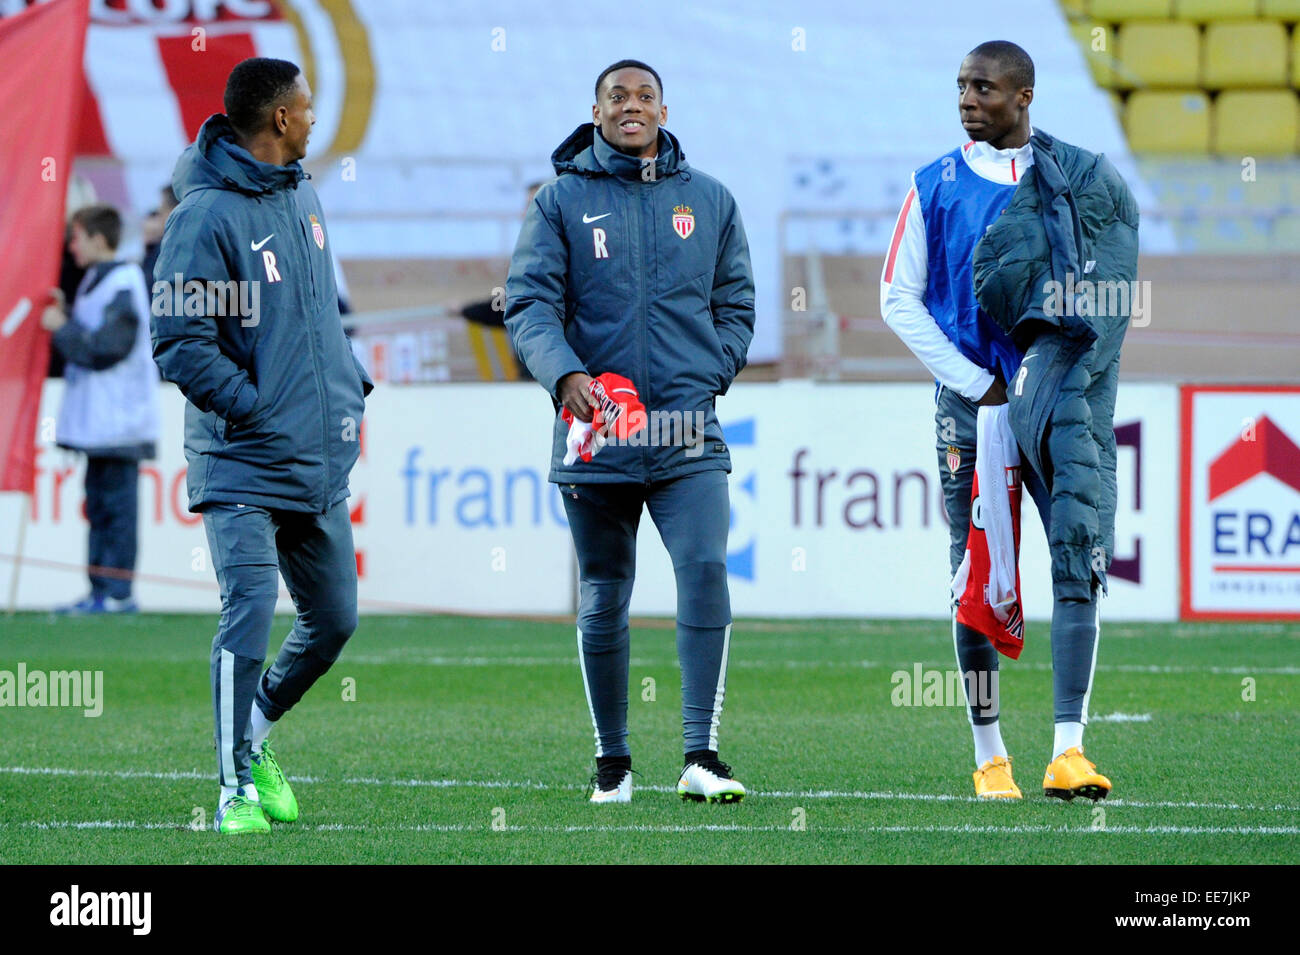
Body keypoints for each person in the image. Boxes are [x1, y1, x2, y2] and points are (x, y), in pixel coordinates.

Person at [881, 41, 1135, 801]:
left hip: (1058, 401)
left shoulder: (1076, 181)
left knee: (1078, 550)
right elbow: (898, 297)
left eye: (983, 87)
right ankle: (991, 758)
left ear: (1023, 96)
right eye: (961, 85)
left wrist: (1067, 375)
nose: (967, 99)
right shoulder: (935, 185)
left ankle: (1069, 750)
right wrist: (975, 383)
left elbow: (1109, 283)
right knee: (975, 575)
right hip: (973, 409)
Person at [506, 59, 755, 804]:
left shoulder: (709, 200)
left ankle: (701, 754)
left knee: (706, 568)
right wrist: (567, 377)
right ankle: (612, 762)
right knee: (605, 593)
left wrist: (708, 374)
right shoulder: (559, 202)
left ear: (664, 110)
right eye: (619, 97)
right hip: (596, 436)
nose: (632, 107)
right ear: (596, 110)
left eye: (645, 96)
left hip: (686, 433)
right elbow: (528, 305)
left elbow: (736, 304)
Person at [151, 57, 373, 835]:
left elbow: (315, 320)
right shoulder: (204, 215)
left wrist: (348, 387)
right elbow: (179, 339)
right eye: (306, 107)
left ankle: (254, 734)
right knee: (247, 607)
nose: (314, 118)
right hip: (242, 455)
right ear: (279, 119)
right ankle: (231, 791)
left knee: (335, 620)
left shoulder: (302, 194)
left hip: (312, 454)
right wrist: (254, 409)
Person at [42, 203, 160, 615]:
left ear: (96, 239)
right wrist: (70, 315)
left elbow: (107, 347)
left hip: (119, 422)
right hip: (100, 423)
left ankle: (118, 591)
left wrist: (63, 327)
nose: (72, 247)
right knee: (100, 507)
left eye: (76, 238)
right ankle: (100, 589)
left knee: (116, 509)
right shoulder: (97, 280)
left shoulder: (124, 282)